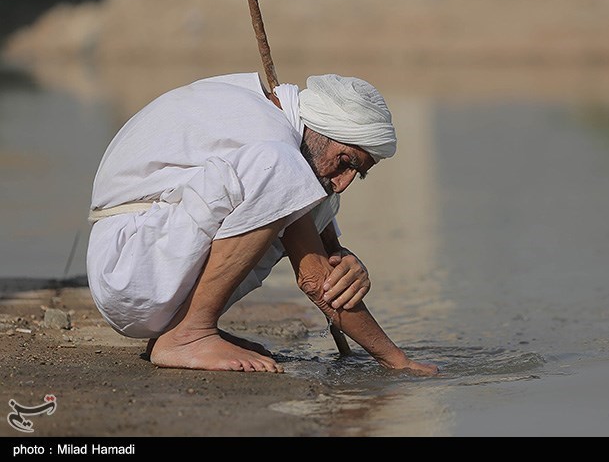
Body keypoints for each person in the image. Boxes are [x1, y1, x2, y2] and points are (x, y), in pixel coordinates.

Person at [85, 72, 438, 376]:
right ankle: (190, 333)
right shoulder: (272, 139)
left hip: (147, 274)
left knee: (301, 190)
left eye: (356, 174)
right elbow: (316, 280)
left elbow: (325, 260)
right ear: (319, 128)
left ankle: (179, 327)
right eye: (344, 161)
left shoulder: (272, 123)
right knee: (280, 169)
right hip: (128, 270)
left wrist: (345, 260)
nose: (342, 182)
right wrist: (396, 360)